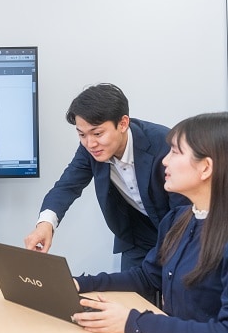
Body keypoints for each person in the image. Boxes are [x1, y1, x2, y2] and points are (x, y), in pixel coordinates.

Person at [71, 112, 228, 333]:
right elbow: (147, 277)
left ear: (206, 167)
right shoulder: (178, 219)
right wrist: (81, 283)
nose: (164, 161)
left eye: (175, 152)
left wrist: (132, 322)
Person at [24, 83, 188, 271]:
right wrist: (45, 224)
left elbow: (184, 208)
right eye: (82, 134)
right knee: (129, 289)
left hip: (178, 231)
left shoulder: (164, 144)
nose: (90, 143)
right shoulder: (89, 149)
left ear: (123, 123)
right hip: (137, 238)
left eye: (98, 133)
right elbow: (67, 186)